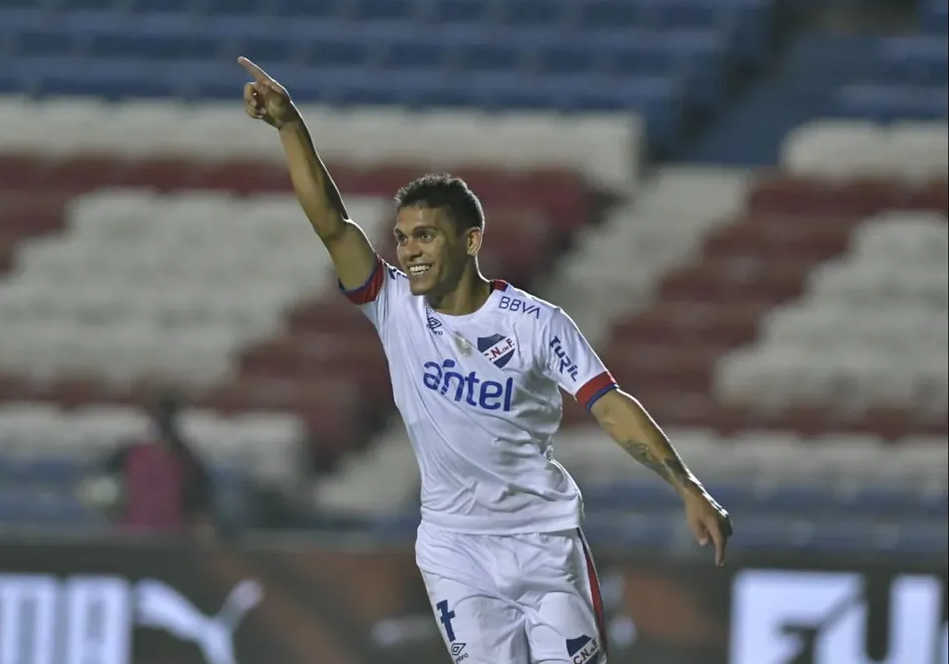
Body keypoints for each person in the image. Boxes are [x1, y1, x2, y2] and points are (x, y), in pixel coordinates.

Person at [238, 57, 732, 664]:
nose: (410, 250)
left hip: (544, 543)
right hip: (455, 551)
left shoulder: (536, 324)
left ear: (471, 240)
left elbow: (610, 407)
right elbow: (331, 224)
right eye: (403, 237)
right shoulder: (394, 306)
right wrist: (291, 128)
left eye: (427, 235)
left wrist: (685, 486)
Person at [80, 394, 216, 537]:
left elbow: (199, 507)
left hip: (170, 537)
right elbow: (99, 480)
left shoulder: (188, 461)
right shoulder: (130, 453)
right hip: (131, 533)